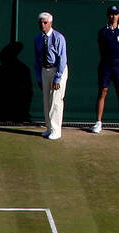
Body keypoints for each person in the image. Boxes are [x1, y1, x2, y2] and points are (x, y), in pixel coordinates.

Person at [91, 5, 119, 133]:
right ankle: (98, 123)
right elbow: (101, 48)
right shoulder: (103, 32)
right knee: (103, 92)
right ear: (108, 16)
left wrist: (117, 58)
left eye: (116, 14)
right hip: (106, 66)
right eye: (111, 14)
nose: (113, 16)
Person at [34, 12, 68, 140]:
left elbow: (62, 59)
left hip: (57, 70)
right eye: (40, 23)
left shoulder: (58, 38)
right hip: (44, 70)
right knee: (46, 100)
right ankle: (49, 128)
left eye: (45, 22)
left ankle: (56, 130)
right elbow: (37, 59)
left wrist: (58, 77)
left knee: (56, 101)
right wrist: (39, 77)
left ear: (50, 23)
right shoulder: (38, 39)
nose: (42, 25)